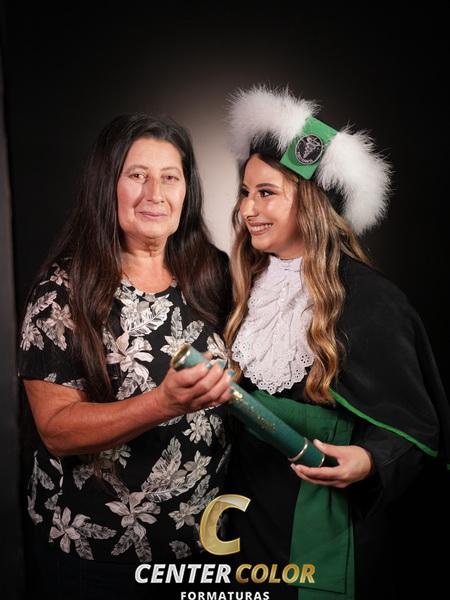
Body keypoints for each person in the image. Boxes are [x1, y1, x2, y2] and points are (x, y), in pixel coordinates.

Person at [223, 86, 450, 600]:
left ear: (311, 204)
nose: (247, 209)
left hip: (318, 521)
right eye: (245, 191)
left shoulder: (373, 299)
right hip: (240, 512)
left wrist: (367, 461)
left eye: (266, 193)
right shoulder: (237, 285)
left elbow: (415, 426)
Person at [17, 113, 234, 599]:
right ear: (106, 185)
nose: (155, 193)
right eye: (137, 175)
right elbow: (56, 429)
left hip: (203, 546)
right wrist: (163, 403)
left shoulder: (215, 274)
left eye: (170, 177)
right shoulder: (63, 291)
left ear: (187, 190)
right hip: (97, 559)